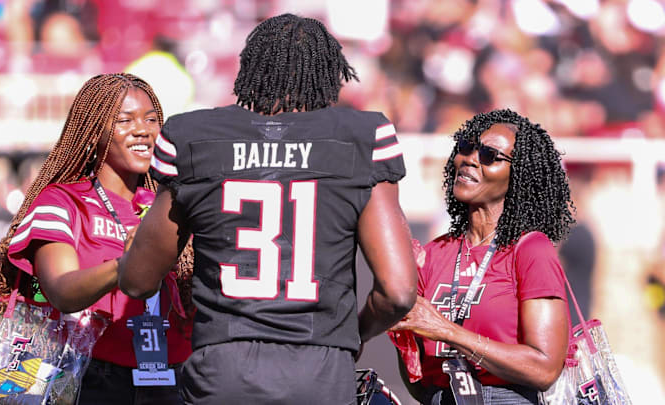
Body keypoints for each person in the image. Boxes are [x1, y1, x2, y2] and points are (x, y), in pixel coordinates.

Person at [118, 13, 417, 404]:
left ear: (250, 70)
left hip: (223, 368)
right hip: (320, 370)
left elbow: (139, 280)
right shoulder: (362, 137)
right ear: (329, 74)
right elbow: (398, 291)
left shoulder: (193, 136)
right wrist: (352, 336)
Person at [0, 73, 194, 405]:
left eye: (151, 119)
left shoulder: (169, 204)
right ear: (94, 132)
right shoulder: (62, 202)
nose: (143, 130)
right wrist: (127, 264)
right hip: (87, 376)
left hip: (170, 378)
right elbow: (63, 291)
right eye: (125, 120)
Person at [389, 109, 573, 404]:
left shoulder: (530, 249)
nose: (471, 159)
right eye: (465, 146)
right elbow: (418, 376)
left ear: (520, 175)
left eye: (490, 155)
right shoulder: (433, 254)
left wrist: (447, 331)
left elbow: (544, 368)